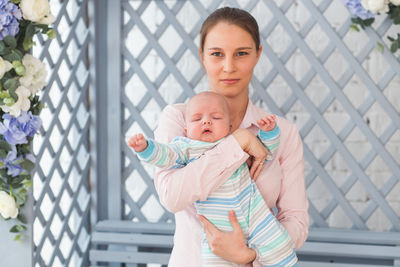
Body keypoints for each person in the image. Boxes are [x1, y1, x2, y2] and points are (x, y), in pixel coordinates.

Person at [153, 7, 308, 267]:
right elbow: (171, 196)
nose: (228, 67)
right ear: (202, 56)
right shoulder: (178, 120)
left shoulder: (281, 132)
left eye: (242, 54)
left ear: (258, 54)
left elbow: (296, 221)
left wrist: (250, 256)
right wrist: (237, 143)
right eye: (216, 54)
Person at [128, 91, 297, 266]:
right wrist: (146, 148)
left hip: (255, 212)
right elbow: (165, 155)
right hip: (217, 229)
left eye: (216, 117)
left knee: (279, 245)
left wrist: (269, 133)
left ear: (229, 127)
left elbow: (265, 152)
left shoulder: (239, 144)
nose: (206, 121)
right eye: (196, 119)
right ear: (186, 130)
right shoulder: (186, 147)